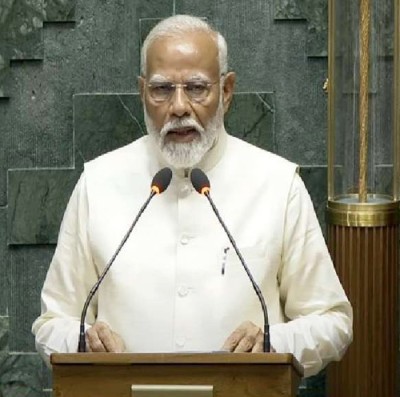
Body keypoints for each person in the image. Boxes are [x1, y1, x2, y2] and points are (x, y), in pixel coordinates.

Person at [32, 14, 352, 377]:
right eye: (162, 89)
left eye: (197, 88)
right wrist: (83, 341)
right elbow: (52, 322)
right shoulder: (99, 182)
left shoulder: (277, 184)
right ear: (142, 93)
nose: (179, 106)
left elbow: (332, 322)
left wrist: (272, 342)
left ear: (227, 91)